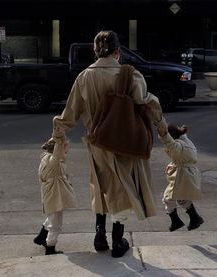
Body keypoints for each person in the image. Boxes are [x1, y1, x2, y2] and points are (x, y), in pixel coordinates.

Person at [52, 30, 166, 258]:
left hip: (96, 142)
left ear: (95, 51)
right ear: (118, 52)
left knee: (101, 187)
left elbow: (69, 114)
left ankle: (99, 236)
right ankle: (117, 240)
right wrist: (164, 129)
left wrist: (56, 137)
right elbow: (145, 102)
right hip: (123, 142)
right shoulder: (130, 75)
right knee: (123, 189)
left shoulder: (84, 77)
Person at [33, 128, 77, 255]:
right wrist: (59, 134)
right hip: (54, 196)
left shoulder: (46, 159)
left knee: (51, 217)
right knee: (56, 225)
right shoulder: (54, 161)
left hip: (50, 195)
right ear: (58, 149)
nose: (67, 150)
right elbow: (59, 149)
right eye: (65, 147)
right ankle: (50, 247)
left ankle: (41, 236)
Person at [157, 123, 204, 232]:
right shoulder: (185, 141)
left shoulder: (178, 144)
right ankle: (195, 218)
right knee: (182, 197)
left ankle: (176, 222)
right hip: (187, 174)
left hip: (182, 175)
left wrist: (164, 136)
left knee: (168, 198)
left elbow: (171, 145)